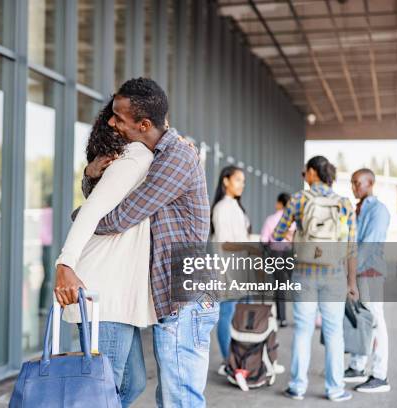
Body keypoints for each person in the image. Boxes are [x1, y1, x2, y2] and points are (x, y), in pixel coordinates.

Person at [55, 78, 218, 408]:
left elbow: (121, 216)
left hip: (185, 299)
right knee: (161, 395)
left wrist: (81, 216)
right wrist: (90, 175)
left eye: (118, 117)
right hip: (175, 298)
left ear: (144, 124)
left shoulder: (174, 158)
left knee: (179, 401)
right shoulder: (154, 155)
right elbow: (114, 198)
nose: (111, 122)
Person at [54, 97, 153, 407]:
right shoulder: (133, 160)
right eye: (112, 118)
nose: (113, 123)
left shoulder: (139, 158)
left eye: (118, 118)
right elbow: (90, 210)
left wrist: (89, 175)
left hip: (119, 291)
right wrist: (64, 264)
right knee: (104, 392)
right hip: (104, 291)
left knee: (132, 383)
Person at [274, 156, 358, 402]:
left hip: (304, 274)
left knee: (302, 331)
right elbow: (352, 247)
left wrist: (298, 238)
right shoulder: (344, 203)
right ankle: (335, 389)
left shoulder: (299, 199)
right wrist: (351, 283)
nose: (304, 176)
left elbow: (278, 234)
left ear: (312, 173)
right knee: (334, 333)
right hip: (334, 276)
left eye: (305, 172)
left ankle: (297, 387)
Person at [344, 168, 391, 392]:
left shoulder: (379, 211)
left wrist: (350, 274)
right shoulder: (359, 209)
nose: (354, 187)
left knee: (376, 321)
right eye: (352, 183)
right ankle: (357, 366)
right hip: (358, 272)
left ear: (370, 183)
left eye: (357, 183)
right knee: (363, 321)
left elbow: (368, 246)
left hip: (370, 272)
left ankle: (380, 376)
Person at [209, 165, 250, 375]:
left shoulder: (235, 206)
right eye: (237, 180)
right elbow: (225, 246)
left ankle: (239, 361)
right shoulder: (222, 208)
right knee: (227, 315)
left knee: (239, 317)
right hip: (229, 271)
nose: (241, 185)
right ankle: (229, 362)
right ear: (225, 181)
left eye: (243, 181)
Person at [260, 192, 295, 327]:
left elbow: (264, 239)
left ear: (280, 203)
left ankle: (281, 317)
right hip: (290, 253)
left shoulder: (271, 219)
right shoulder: (293, 220)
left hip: (275, 253)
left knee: (279, 285)